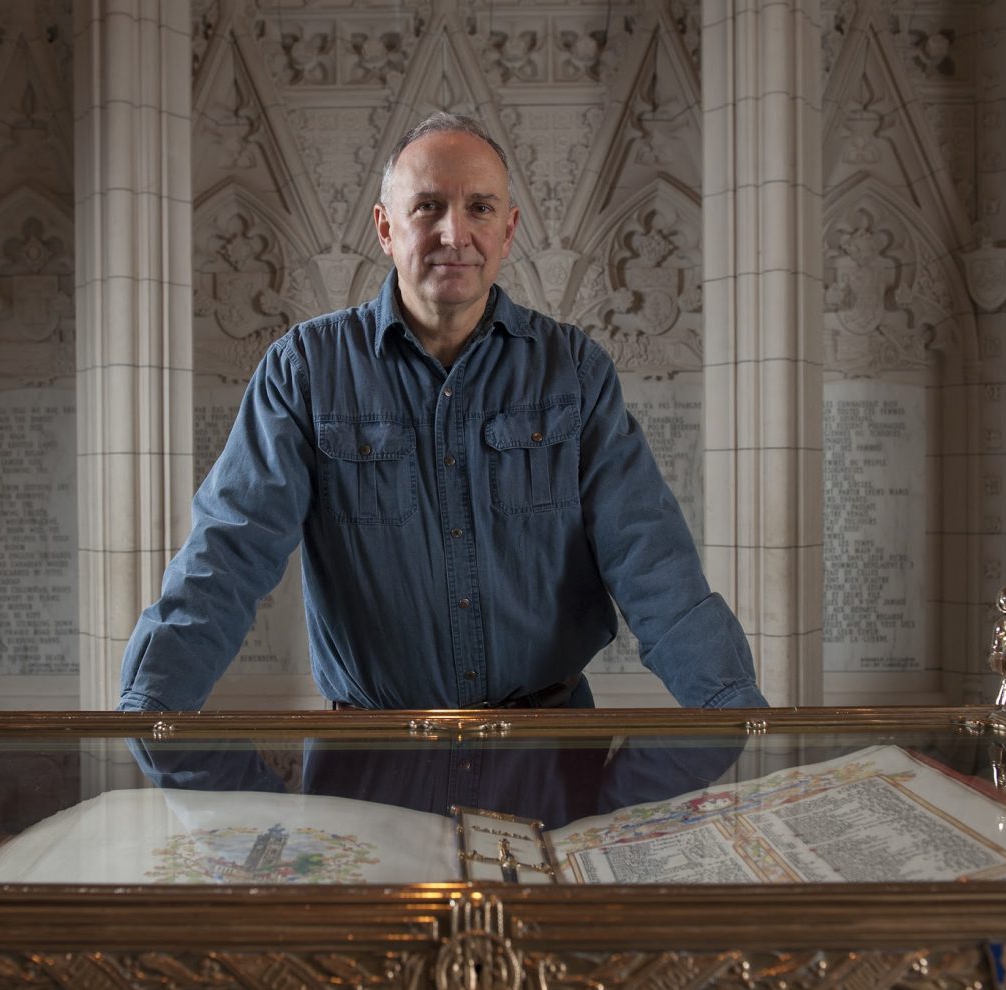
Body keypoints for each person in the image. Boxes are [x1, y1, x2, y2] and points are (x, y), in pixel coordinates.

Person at [119, 111, 765, 715]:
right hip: (372, 755)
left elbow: (651, 559)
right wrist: (146, 716)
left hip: (549, 748)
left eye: (479, 207)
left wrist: (737, 715)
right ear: (385, 228)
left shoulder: (574, 370)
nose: (454, 234)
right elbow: (228, 554)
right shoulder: (305, 370)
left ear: (508, 230)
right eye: (428, 206)